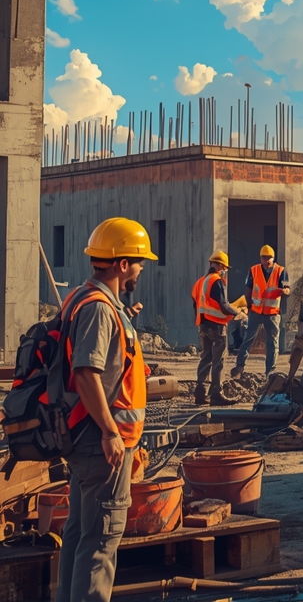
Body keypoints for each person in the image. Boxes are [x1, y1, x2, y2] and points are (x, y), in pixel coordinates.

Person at [56, 218, 154, 602]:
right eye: (139, 261)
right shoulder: (98, 308)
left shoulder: (85, 298)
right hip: (102, 445)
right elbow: (85, 373)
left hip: (87, 441)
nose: (142, 269)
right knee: (100, 544)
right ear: (121, 263)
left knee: (81, 535)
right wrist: (112, 432)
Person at [191, 251, 247, 406]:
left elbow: (195, 302)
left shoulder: (201, 282)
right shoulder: (217, 281)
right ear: (221, 266)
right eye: (225, 268)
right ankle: (216, 393)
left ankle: (200, 393)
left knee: (206, 357)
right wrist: (238, 312)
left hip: (203, 325)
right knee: (218, 360)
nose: (225, 271)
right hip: (216, 326)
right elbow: (223, 306)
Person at [232, 245, 290, 378]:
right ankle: (239, 367)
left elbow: (287, 288)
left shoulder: (281, 271)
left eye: (269, 257)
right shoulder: (254, 270)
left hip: (272, 313)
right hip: (256, 312)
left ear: (273, 258)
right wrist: (250, 306)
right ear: (261, 258)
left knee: (272, 342)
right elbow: (248, 291)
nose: (267, 260)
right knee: (248, 340)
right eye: (264, 257)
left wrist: (284, 291)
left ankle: (270, 372)